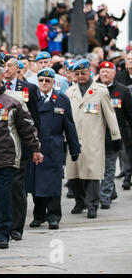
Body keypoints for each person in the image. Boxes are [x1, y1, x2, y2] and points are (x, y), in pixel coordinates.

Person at [0, 58, 43, 249]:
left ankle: (3, 234)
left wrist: (35, 148)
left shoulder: (13, 98)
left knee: (5, 195)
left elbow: (27, 127)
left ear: (2, 74)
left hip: (7, 155)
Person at [65, 59, 122, 219]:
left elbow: (110, 115)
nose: (81, 76)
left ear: (89, 72)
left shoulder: (100, 90)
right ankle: (79, 202)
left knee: (92, 174)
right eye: (77, 74)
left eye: (83, 73)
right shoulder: (70, 92)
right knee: (74, 174)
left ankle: (92, 205)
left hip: (93, 140)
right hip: (74, 139)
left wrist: (116, 136)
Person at [26, 68, 81, 230]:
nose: (44, 83)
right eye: (41, 80)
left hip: (54, 147)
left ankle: (54, 216)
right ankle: (39, 215)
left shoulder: (61, 100)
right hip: (36, 146)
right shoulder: (31, 99)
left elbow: (69, 125)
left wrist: (74, 148)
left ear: (53, 83)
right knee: (36, 184)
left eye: (47, 81)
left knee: (54, 184)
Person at [1, 55, 41, 241]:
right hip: (0, 145)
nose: (6, 69)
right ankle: (0, 225)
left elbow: (35, 120)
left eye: (10, 66)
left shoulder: (29, 89)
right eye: (3, 66)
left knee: (18, 187)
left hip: (21, 145)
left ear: (18, 69)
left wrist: (34, 146)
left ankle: (16, 227)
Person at [97, 61, 132, 207]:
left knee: (110, 166)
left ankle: (105, 197)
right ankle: (110, 191)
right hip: (96, 135)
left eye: (107, 71)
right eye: (102, 71)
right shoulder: (94, 90)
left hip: (115, 136)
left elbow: (129, 114)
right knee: (99, 167)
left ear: (114, 73)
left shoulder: (123, 90)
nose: (105, 74)